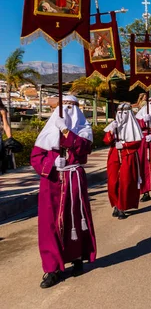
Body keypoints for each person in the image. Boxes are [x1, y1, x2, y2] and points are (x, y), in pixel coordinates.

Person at [30, 95, 96, 288]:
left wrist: (66, 131)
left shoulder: (83, 130)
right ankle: (51, 269)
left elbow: (83, 149)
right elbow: (35, 157)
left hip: (73, 179)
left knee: (75, 220)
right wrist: (50, 163)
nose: (67, 110)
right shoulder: (49, 130)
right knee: (49, 224)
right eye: (63, 106)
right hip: (51, 183)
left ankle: (76, 257)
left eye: (71, 107)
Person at [104, 103, 143, 219]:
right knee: (112, 182)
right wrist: (111, 131)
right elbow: (106, 141)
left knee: (125, 181)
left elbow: (137, 141)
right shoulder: (114, 125)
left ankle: (122, 206)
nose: (122, 115)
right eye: (119, 112)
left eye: (124, 112)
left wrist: (125, 145)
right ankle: (115, 204)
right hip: (114, 154)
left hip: (128, 155)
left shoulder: (133, 125)